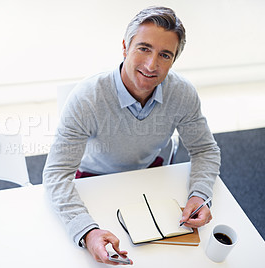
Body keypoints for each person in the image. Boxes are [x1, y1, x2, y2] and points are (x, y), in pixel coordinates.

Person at [43, 6, 220, 265]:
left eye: (165, 55)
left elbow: (205, 150)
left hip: (146, 175)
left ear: (173, 60)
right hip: (93, 181)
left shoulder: (182, 93)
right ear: (125, 47)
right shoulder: (86, 98)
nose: (151, 65)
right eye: (144, 48)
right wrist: (88, 233)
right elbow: (56, 173)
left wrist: (199, 195)